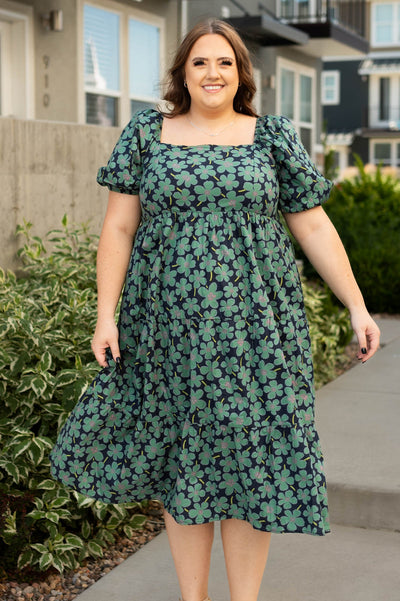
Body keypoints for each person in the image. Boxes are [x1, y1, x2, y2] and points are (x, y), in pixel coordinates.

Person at [50, 18, 380, 601]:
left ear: (240, 74)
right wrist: (106, 316)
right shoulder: (146, 135)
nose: (212, 72)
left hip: (257, 328)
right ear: (182, 72)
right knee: (184, 457)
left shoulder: (272, 136)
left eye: (224, 62)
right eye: (200, 62)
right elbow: (119, 228)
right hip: (166, 326)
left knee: (250, 456)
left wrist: (356, 306)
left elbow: (313, 226)